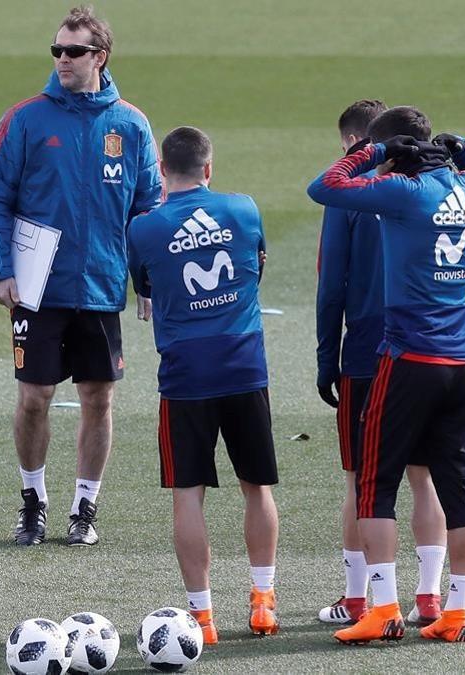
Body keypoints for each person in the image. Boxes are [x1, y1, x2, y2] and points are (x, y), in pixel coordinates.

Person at [308, 107, 465, 644]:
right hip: (464, 361)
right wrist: (460, 145)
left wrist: (367, 152)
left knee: (373, 485)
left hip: (408, 359)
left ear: (393, 153)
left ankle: (382, 608)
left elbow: (325, 187)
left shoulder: (402, 192)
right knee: (456, 489)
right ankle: (454, 612)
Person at [0, 5, 161, 547]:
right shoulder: (26, 118)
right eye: (56, 49)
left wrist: (145, 281)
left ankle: (86, 504)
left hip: (101, 286)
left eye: (73, 51)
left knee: (98, 398)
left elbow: (147, 211)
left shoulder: (130, 123)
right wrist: (2, 273)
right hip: (36, 289)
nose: (62, 59)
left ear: (99, 56)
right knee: (33, 396)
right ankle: (33, 499)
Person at [127, 127, 279, 644]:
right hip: (244, 367)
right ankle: (262, 601)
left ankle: (203, 618)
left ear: (163, 173)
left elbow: (145, 286)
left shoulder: (144, 228)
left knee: (187, 494)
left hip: (185, 375)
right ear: (209, 168)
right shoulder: (243, 209)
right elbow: (255, 269)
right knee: (255, 487)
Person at [315, 100, 447, 628]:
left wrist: (328, 358)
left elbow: (331, 288)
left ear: (356, 143)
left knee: (361, 481)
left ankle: (356, 600)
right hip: (427, 350)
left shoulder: (355, 194)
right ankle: (432, 597)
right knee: (424, 478)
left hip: (368, 357)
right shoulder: (437, 189)